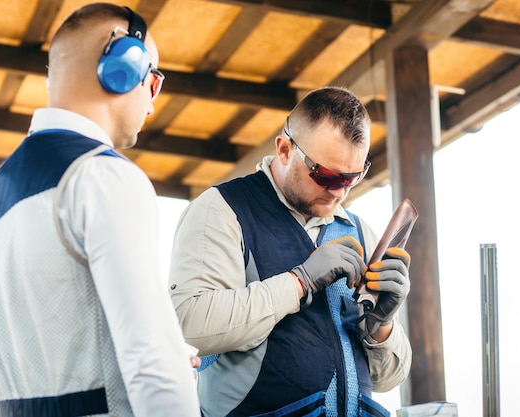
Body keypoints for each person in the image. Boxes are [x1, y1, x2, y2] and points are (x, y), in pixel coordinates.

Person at [0, 3, 200, 416]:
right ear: (125, 66)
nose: (152, 104)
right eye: (155, 81)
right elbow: (152, 365)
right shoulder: (103, 178)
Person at [168, 86, 412, 417]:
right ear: (284, 149)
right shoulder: (224, 210)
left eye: (351, 178)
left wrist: (381, 324)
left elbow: (388, 380)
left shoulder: (360, 232)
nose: (338, 192)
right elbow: (191, 321)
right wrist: (300, 282)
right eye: (325, 175)